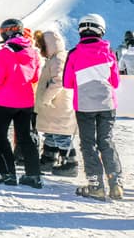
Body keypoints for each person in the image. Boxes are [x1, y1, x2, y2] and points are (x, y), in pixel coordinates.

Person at [63, 14, 123, 200]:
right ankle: (115, 184)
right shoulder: (109, 51)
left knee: (89, 145)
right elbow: (115, 82)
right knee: (106, 141)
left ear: (81, 30)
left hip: (85, 105)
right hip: (107, 104)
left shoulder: (74, 53)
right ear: (101, 30)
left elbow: (67, 83)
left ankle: (96, 185)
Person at [0, 18, 42, 188]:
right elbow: (35, 77)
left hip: (5, 101)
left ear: (6, 33)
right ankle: (34, 175)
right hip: (26, 100)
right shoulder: (33, 52)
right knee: (25, 137)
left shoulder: (4, 53)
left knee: (0, 136)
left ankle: (7, 173)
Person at [33, 30, 78, 177]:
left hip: (58, 104)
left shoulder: (59, 59)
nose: (40, 50)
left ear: (48, 45)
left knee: (61, 133)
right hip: (55, 105)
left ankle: (71, 163)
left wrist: (46, 98)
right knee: (52, 132)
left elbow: (58, 81)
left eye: (41, 47)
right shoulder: (55, 58)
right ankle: (48, 159)